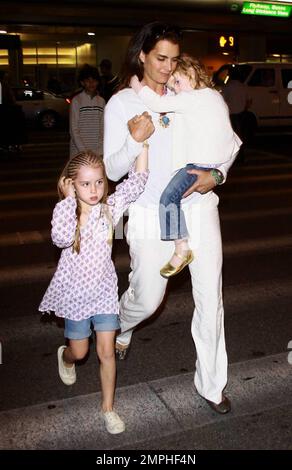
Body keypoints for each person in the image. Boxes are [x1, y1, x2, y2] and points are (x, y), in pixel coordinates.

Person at [104, 21, 239, 415]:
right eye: (160, 58)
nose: (167, 67)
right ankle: (122, 326)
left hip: (198, 207)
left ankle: (212, 385)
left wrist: (216, 175)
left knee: (209, 297)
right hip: (149, 211)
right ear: (143, 54)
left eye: (174, 60)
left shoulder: (190, 93)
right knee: (147, 299)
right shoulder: (122, 103)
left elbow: (225, 142)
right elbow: (112, 171)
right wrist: (134, 140)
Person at [39, 149, 149, 434]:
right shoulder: (67, 213)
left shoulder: (109, 210)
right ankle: (66, 356)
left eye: (99, 182)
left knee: (106, 353)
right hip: (76, 297)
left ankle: (108, 408)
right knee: (80, 351)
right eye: (85, 183)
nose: (93, 189)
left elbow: (136, 183)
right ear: (71, 184)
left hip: (103, 294)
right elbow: (60, 238)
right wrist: (66, 201)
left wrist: (142, 146)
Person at [130, 54, 241, 277]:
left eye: (178, 82)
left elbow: (156, 102)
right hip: (212, 163)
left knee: (168, 198)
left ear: (192, 74)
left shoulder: (192, 98)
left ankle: (181, 248)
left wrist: (137, 85)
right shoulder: (214, 97)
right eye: (172, 86)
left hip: (198, 165)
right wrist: (219, 171)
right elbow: (235, 142)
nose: (176, 90)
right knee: (173, 197)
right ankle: (182, 247)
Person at [70, 64, 105, 158]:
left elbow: (103, 127)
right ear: (82, 83)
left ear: (98, 82)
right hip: (78, 151)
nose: (91, 83)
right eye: (88, 81)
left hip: (97, 151)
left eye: (94, 80)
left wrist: (101, 149)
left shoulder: (101, 101)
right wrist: (83, 150)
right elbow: (73, 129)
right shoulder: (77, 100)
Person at [222, 67, 250, 164]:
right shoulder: (243, 86)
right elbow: (248, 101)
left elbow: (223, 100)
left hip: (231, 115)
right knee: (241, 137)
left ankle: (232, 158)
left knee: (231, 138)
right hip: (241, 114)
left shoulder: (227, 87)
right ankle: (242, 157)